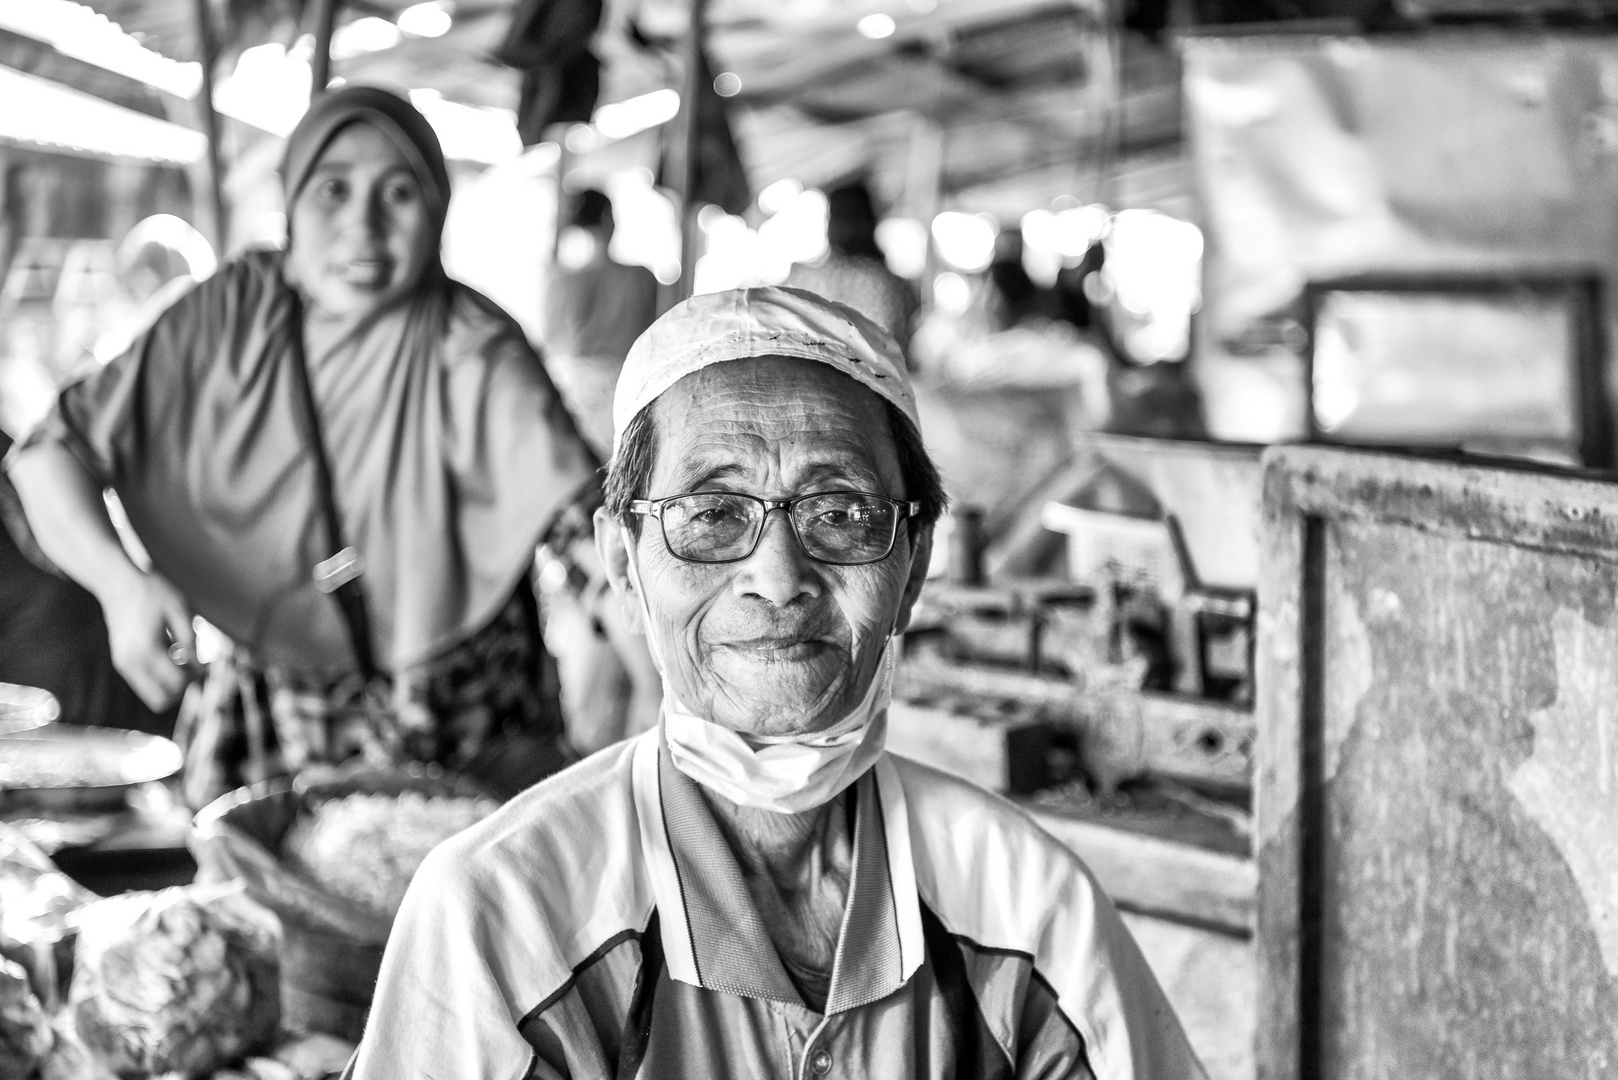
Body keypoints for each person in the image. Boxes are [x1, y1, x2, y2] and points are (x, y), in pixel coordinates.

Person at [347, 287, 1207, 1079]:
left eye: (840, 512)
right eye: (713, 514)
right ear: (624, 564)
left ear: (914, 569)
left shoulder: (1028, 907)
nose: (778, 576)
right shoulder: (500, 916)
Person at [5, 86, 600, 806]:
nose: (364, 226)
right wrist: (120, 585)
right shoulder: (230, 314)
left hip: (462, 715)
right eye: (334, 189)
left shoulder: (476, 345)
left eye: (400, 192)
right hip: (273, 714)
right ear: (292, 201)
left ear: (437, 207)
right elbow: (47, 456)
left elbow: (596, 537)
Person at [541, 188, 660, 459]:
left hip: (574, 393)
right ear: (609, 220)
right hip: (626, 390)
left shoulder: (560, 281)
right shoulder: (641, 278)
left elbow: (551, 343)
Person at [786, 179, 918, 355]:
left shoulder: (803, 277)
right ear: (871, 220)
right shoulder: (890, 283)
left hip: (811, 377)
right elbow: (902, 345)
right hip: (874, 379)